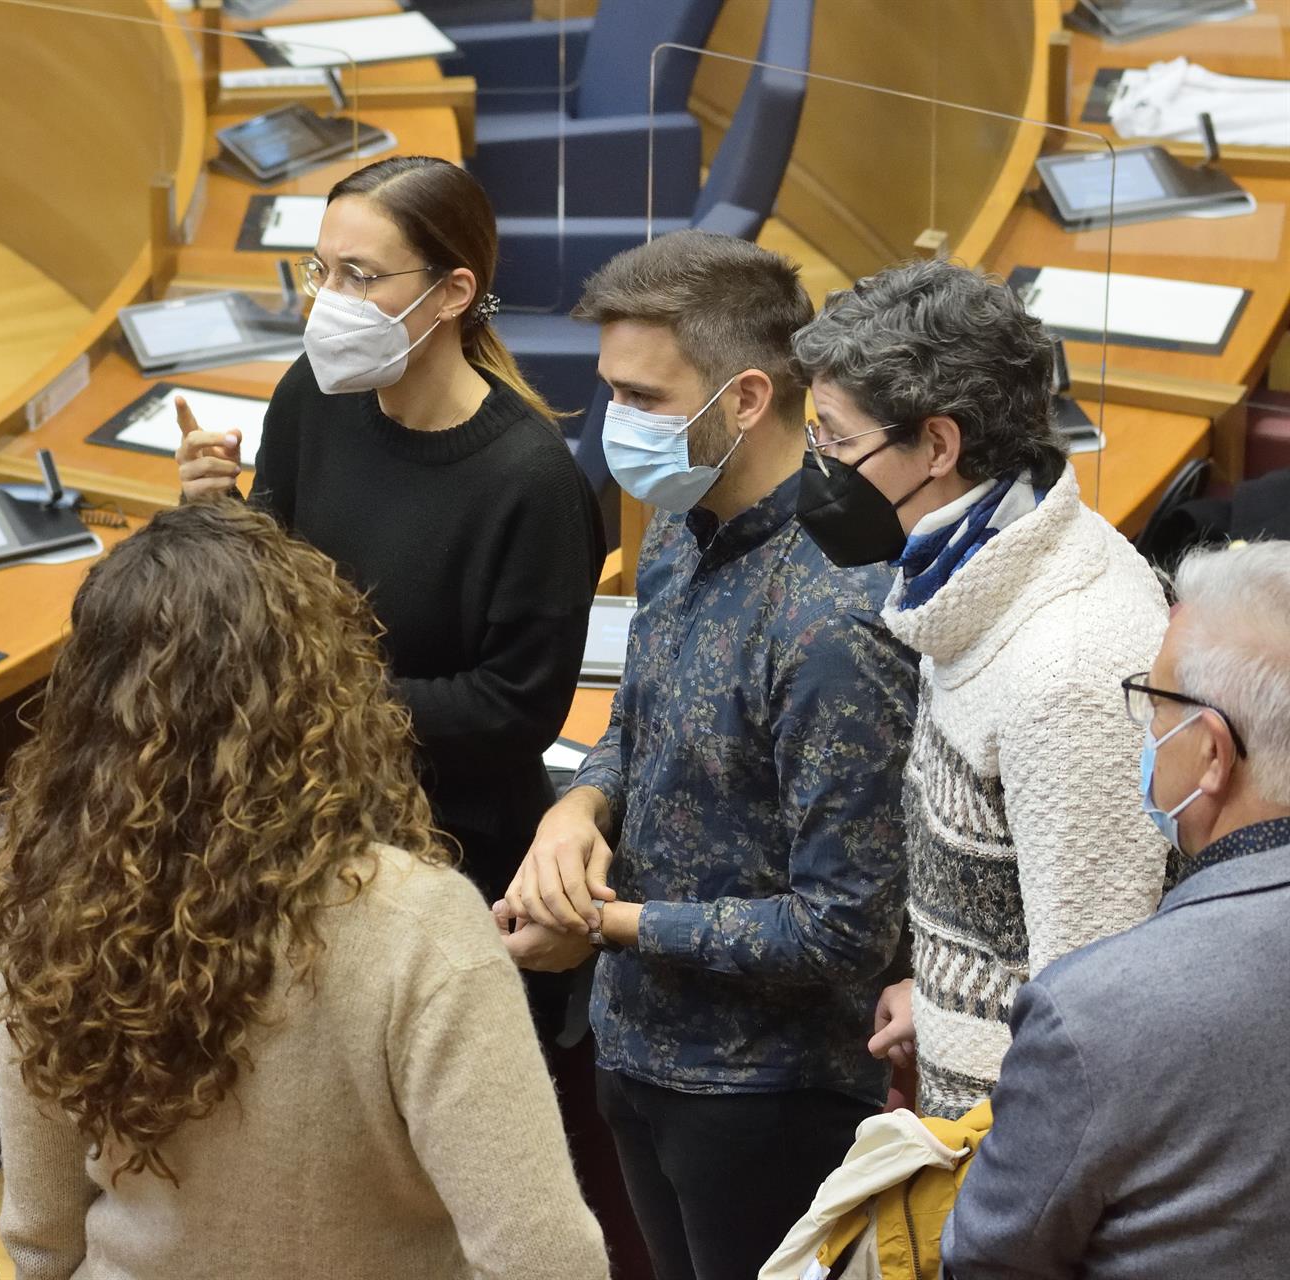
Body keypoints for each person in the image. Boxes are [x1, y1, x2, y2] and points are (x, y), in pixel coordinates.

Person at [0, 500, 608, 1280]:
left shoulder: (53, 901)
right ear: (328, 687)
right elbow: (546, 1262)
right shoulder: (421, 927)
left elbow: (41, 1241)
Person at [498, 231, 918, 1280]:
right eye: (610, 392)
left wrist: (603, 922)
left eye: (643, 397)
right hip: (633, 1044)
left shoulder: (834, 617)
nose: (617, 426)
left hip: (762, 1096)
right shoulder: (679, 524)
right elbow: (640, 724)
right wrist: (577, 810)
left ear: (742, 399)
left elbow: (843, 931)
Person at [790, 259, 1172, 1119]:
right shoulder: (967, 570)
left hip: (1018, 1158)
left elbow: (1093, 1021)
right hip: (967, 1096)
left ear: (937, 445)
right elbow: (1012, 897)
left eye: (836, 440)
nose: (818, 466)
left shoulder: (1067, 669)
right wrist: (940, 995)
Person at [174, 154, 602, 903]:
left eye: (359, 276)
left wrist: (317, 697)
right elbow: (275, 586)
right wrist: (217, 515)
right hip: (302, 801)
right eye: (322, 271)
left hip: (447, 847)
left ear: (452, 292)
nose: (327, 301)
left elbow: (511, 711)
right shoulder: (315, 394)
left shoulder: (532, 482)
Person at [944, 540, 1290, 1276]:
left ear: (1212, 755)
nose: (1144, 731)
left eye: (1154, 702)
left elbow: (985, 1262)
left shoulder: (1091, 1013)